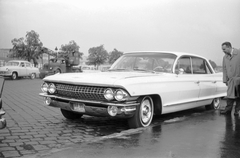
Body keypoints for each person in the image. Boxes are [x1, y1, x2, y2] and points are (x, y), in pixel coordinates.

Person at [220, 42, 240, 115]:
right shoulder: (225, 57)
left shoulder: (238, 53)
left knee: (238, 96)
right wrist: (225, 80)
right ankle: (228, 110)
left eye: (224, 49)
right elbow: (224, 69)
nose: (223, 51)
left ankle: (237, 111)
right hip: (230, 80)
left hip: (238, 79)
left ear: (229, 47)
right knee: (229, 96)